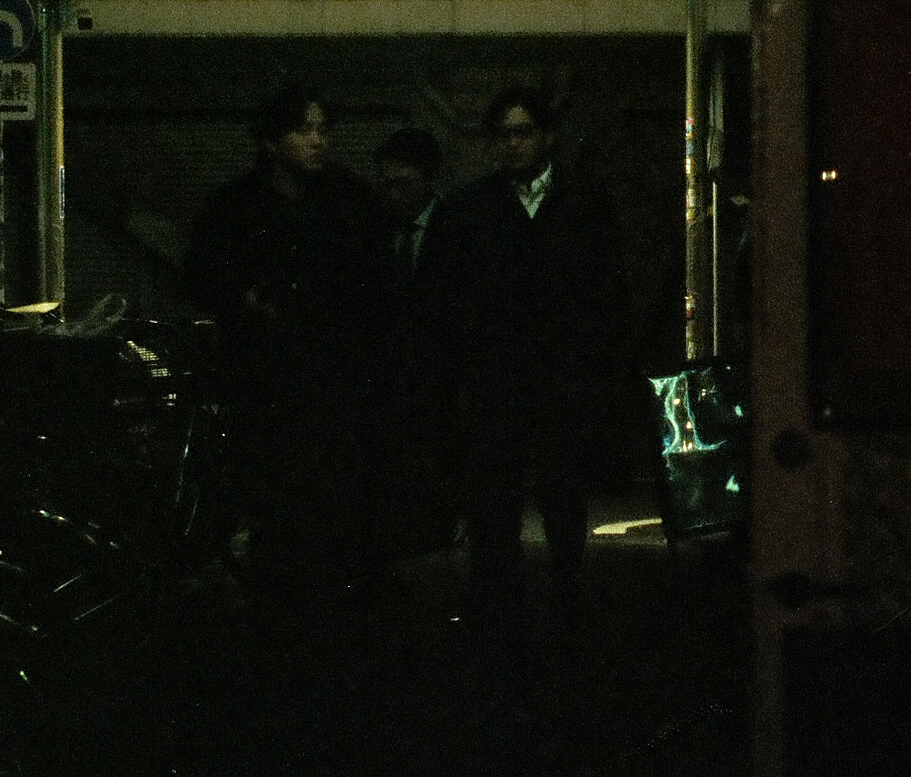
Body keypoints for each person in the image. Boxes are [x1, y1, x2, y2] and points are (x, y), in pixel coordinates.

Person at [184, 83, 392, 634]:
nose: (318, 141)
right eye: (305, 130)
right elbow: (202, 274)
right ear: (272, 141)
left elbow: (379, 287)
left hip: (334, 378)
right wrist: (247, 301)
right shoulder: (236, 205)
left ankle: (328, 611)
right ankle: (283, 611)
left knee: (334, 500)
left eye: (323, 129)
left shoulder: (350, 201)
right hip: (266, 381)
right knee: (278, 499)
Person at [419, 84, 631, 615]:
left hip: (546, 371)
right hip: (507, 373)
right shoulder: (562, 202)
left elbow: (608, 292)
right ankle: (523, 588)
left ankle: (536, 588)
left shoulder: (485, 207)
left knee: (552, 484)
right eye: (505, 135)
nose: (512, 144)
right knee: (504, 486)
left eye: (522, 133)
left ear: (546, 137)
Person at [375, 126, 456, 559]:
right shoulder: (379, 232)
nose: (393, 194)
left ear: (428, 181)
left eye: (403, 183)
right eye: (387, 183)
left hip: (435, 372)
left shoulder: (453, 228)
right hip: (391, 371)